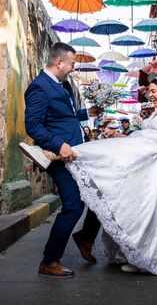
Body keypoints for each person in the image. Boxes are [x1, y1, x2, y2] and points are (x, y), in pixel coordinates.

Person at [25, 75, 157, 275]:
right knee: (117, 175)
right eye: (149, 92)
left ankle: (53, 154)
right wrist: (119, 135)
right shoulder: (154, 112)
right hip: (143, 154)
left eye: (154, 91)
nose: (150, 95)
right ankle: (56, 154)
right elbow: (141, 134)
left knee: (146, 204)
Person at [21, 43, 102, 279]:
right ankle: (49, 260)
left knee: (100, 194)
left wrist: (88, 114)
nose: (73, 68)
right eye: (72, 63)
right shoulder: (39, 87)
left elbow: (64, 116)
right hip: (60, 159)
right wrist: (58, 145)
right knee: (73, 206)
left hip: (77, 155)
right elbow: (33, 125)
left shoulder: (62, 85)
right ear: (59, 62)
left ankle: (85, 237)